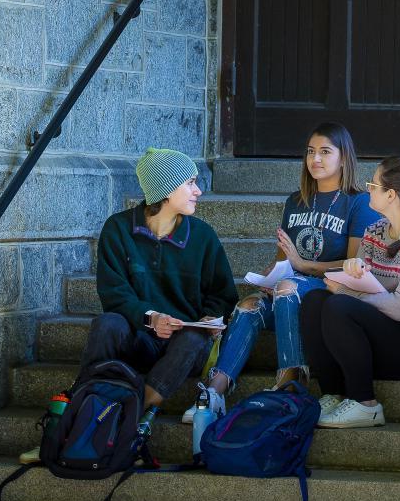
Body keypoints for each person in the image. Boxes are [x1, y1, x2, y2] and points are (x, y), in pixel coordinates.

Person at [19, 147, 237, 461]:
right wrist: (151, 318)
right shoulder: (118, 229)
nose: (198, 191)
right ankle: (79, 415)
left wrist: (208, 319)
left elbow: (223, 294)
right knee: (108, 323)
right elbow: (114, 294)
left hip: (181, 346)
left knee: (193, 338)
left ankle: (120, 420)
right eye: (190, 183)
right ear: (165, 189)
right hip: (137, 338)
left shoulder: (203, 236)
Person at [183, 122, 379, 423]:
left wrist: (304, 267)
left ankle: (292, 382)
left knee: (288, 286)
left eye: (325, 152)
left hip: (326, 294)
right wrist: (269, 278)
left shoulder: (358, 202)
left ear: (344, 158)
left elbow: (354, 266)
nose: (315, 159)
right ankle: (215, 392)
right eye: (311, 151)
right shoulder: (295, 201)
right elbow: (284, 259)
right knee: (249, 305)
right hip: (293, 285)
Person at [300, 154, 400, 429]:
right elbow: (361, 288)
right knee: (315, 300)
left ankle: (365, 404)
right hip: (386, 338)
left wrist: (350, 294)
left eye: (373, 185)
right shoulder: (374, 232)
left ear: (391, 195)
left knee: (340, 306)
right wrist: (351, 271)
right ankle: (333, 394)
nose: (368, 189)